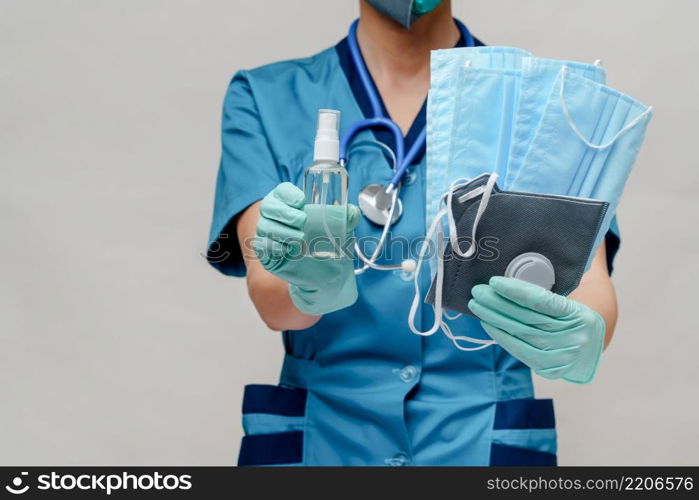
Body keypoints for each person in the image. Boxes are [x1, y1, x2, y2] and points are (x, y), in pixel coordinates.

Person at [207, 0, 620, 466]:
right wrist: (306, 288)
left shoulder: (543, 98)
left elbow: (588, 284)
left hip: (478, 438)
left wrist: (579, 332)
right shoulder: (266, 97)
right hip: (327, 439)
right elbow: (269, 294)